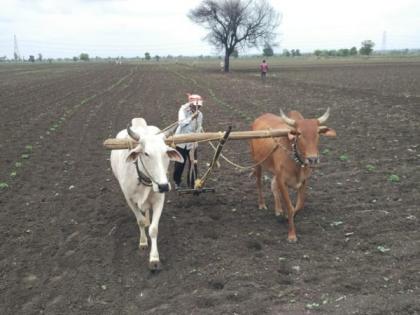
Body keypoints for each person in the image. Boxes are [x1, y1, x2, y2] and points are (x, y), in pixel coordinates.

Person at [173, 94, 204, 190]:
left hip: (192, 144)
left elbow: (199, 128)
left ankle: (192, 183)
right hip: (181, 142)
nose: (197, 107)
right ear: (191, 104)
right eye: (195, 105)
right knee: (180, 164)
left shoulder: (200, 115)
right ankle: (177, 182)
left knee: (193, 164)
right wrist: (191, 117)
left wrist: (196, 141)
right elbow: (181, 123)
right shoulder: (182, 110)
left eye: (199, 106)